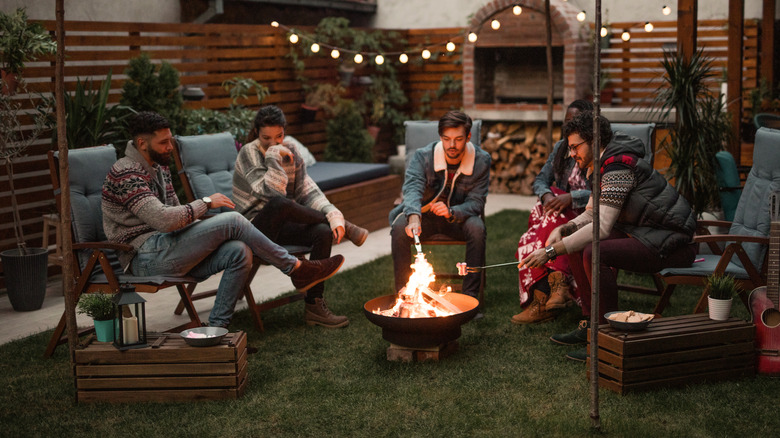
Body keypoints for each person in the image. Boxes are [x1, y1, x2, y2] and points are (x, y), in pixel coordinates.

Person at [102, 111, 344, 329]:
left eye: (171, 141)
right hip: (143, 257)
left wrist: (205, 231)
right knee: (233, 221)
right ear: (142, 143)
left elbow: (176, 214)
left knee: (238, 250)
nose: (170, 147)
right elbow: (164, 220)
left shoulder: (158, 167)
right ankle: (295, 268)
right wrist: (206, 204)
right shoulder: (126, 172)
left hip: (168, 247)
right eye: (163, 142)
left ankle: (217, 330)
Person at [521, 111, 696, 362]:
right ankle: (589, 326)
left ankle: (606, 339)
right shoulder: (600, 165)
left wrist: (550, 252)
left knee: (595, 251)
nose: (572, 154)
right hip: (643, 231)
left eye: (575, 147)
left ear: (594, 139)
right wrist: (564, 229)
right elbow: (592, 214)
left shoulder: (617, 166)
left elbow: (601, 228)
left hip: (672, 240)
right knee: (577, 244)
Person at [232, 105, 367, 328]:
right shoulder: (249, 152)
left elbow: (306, 190)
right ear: (256, 132)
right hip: (254, 228)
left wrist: (332, 212)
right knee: (279, 204)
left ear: (285, 131)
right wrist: (274, 155)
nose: (273, 142)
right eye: (266, 137)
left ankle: (314, 305)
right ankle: (347, 227)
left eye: (279, 137)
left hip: (282, 224)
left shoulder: (292, 149)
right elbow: (272, 193)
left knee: (323, 232)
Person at [389, 110, 491, 305]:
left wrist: (452, 212)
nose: (452, 145)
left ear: (468, 137)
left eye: (458, 139)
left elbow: (477, 202)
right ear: (440, 137)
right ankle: (405, 296)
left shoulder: (481, 160)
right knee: (400, 228)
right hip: (425, 218)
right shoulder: (423, 156)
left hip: (458, 220)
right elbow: (412, 188)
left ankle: (470, 298)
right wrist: (413, 216)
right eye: (446, 139)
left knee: (477, 228)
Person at [512, 99, 594, 325]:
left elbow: (603, 194)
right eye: (566, 121)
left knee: (542, 226)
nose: (568, 126)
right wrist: (548, 196)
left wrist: (571, 197)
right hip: (557, 213)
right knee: (533, 230)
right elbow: (540, 180)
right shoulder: (561, 148)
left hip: (585, 216)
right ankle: (553, 289)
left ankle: (543, 298)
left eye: (574, 121)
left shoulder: (597, 151)